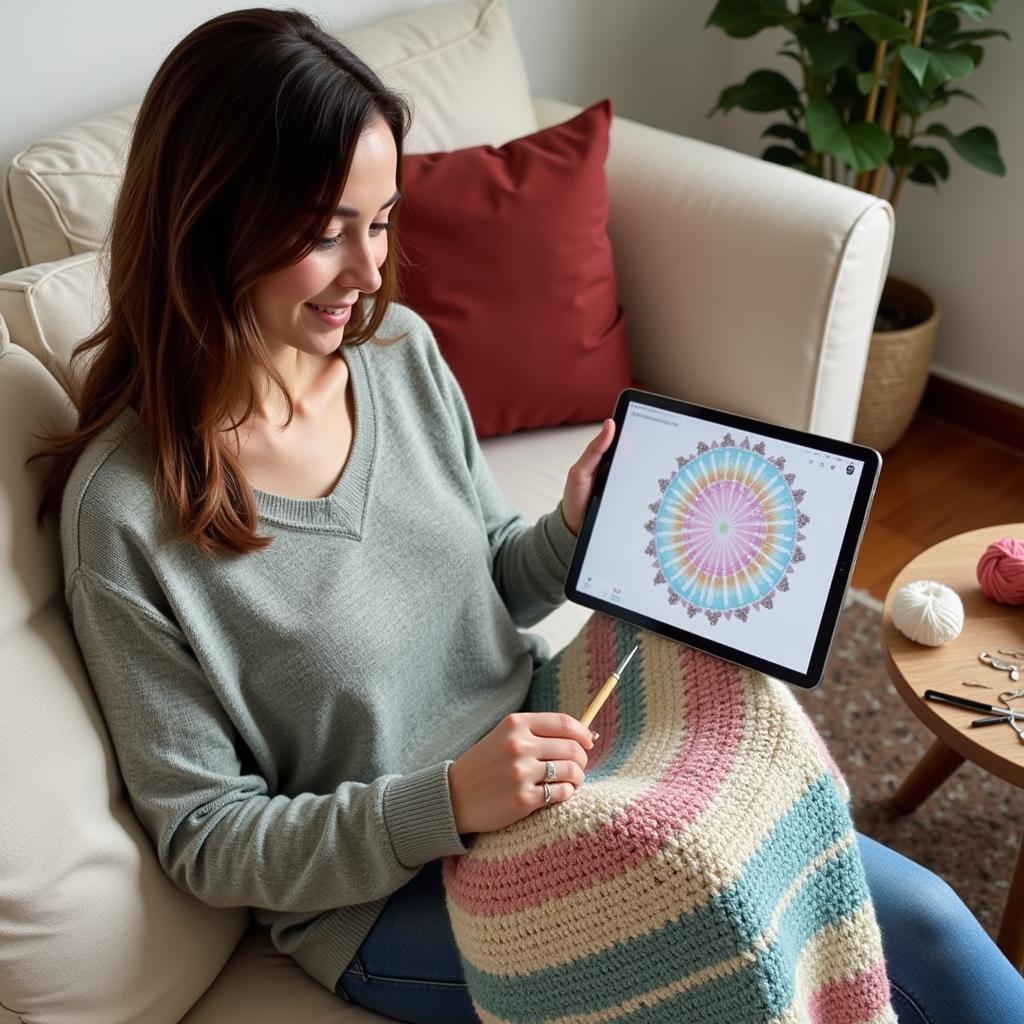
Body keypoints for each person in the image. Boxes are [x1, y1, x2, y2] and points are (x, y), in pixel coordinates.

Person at [29, 8, 1023, 1024]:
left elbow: (483, 575)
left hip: (551, 739)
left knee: (928, 920)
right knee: (735, 922)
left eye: (380, 222)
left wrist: (568, 530)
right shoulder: (126, 516)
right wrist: (449, 800)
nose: (370, 272)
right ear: (209, 216)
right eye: (327, 232)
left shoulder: (398, 352)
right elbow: (205, 838)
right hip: (390, 892)